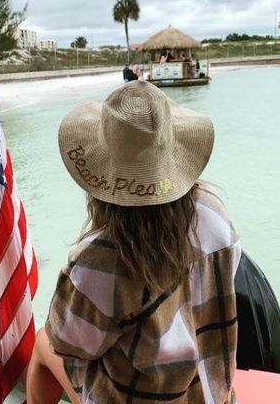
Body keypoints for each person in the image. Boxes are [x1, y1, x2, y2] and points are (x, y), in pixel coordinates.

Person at [27, 81, 241, 404]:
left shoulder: (101, 259)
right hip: (214, 397)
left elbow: (66, 341)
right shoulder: (213, 211)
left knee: (42, 342)